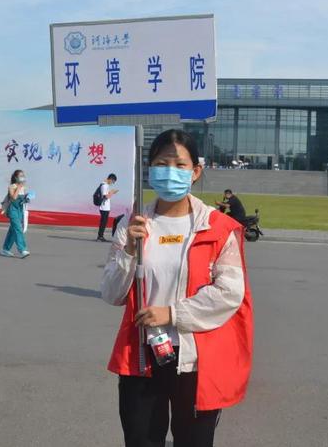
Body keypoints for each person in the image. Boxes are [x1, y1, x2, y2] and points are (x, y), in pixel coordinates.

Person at [101, 129, 253, 447]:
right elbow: (112, 293)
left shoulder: (218, 227)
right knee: (141, 440)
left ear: (195, 171)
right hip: (141, 356)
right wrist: (129, 250)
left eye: (179, 164)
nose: (170, 171)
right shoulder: (132, 223)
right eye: (161, 163)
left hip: (195, 359)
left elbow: (229, 293)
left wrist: (171, 314)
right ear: (149, 168)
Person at [0, 169, 30, 258]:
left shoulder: (24, 187)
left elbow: (22, 199)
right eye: (21, 176)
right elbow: (13, 198)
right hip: (12, 210)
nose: (22, 177)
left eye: (23, 176)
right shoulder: (12, 187)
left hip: (20, 209)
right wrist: (19, 187)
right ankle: (22, 249)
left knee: (13, 230)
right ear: (16, 177)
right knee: (18, 229)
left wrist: (27, 198)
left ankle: (5, 249)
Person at [96, 173, 119, 242]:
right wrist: (112, 192)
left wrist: (111, 192)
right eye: (113, 181)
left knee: (104, 222)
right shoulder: (104, 186)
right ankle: (100, 236)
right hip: (104, 207)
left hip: (105, 207)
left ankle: (100, 236)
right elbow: (105, 196)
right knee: (103, 222)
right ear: (111, 179)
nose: (112, 183)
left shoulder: (105, 185)